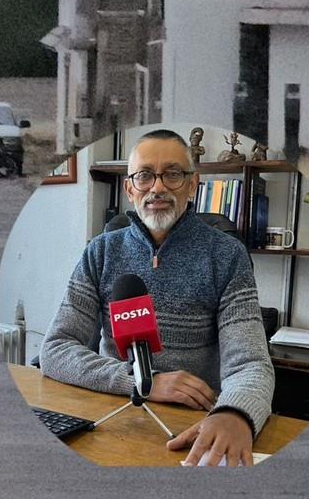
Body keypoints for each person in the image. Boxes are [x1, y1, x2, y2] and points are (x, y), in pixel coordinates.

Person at [39, 129, 274, 467]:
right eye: (145, 175)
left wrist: (236, 413)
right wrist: (141, 382)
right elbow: (56, 349)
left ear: (192, 185)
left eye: (173, 174)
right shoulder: (101, 251)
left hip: (193, 424)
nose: (158, 187)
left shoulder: (227, 256)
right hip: (114, 414)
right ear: (130, 188)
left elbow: (250, 364)